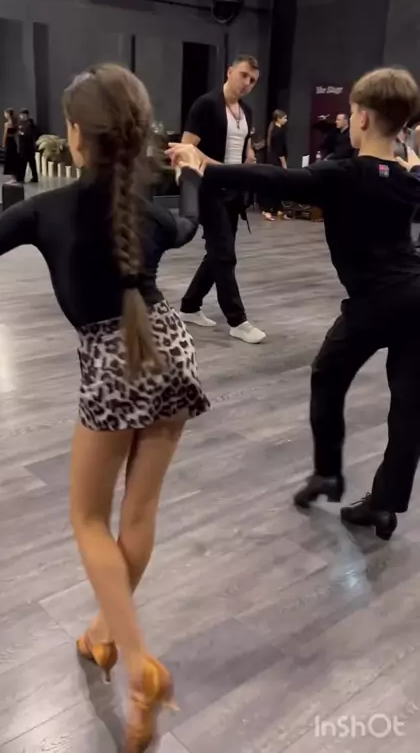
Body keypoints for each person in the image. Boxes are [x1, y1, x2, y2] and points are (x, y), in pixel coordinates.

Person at [0, 64, 209, 751]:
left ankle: (140, 665)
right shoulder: (146, 210)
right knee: (139, 514)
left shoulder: (44, 210)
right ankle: (101, 633)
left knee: (89, 519)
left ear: (75, 136)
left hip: (113, 365)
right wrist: (192, 172)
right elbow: (187, 226)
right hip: (172, 348)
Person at [168, 67, 420, 541]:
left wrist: (205, 166)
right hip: (415, 299)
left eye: (351, 113)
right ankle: (385, 505)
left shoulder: (344, 174)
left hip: (373, 304)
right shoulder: (408, 180)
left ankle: (328, 473)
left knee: (327, 375)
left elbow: (274, 178)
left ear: (362, 119)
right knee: (409, 409)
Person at [179, 54, 266, 344]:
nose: (247, 83)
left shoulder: (247, 111)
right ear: (229, 72)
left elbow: (245, 146)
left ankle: (190, 306)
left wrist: (249, 158)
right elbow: (186, 148)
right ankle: (237, 321)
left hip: (234, 192)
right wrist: (218, 169)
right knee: (225, 255)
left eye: (253, 80)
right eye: (244, 75)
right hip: (209, 189)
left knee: (216, 253)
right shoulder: (206, 105)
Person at [263, 109, 288, 220]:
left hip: (272, 160)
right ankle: (267, 210)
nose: (286, 120)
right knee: (273, 185)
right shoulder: (278, 132)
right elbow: (279, 150)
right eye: (284, 118)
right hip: (276, 161)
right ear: (278, 119)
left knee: (276, 185)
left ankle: (279, 209)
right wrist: (284, 163)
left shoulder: (274, 131)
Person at [17, 109, 39, 183]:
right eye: (20, 115)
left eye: (22, 115)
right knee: (23, 163)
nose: (21, 116)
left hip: (28, 147)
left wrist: (23, 134)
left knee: (30, 163)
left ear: (26, 115)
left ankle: (33, 178)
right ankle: (21, 178)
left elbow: (31, 134)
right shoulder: (21, 123)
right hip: (22, 146)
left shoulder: (30, 124)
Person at [3, 108, 19, 179]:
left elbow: (5, 135)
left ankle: (13, 177)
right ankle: (15, 176)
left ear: (8, 114)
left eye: (5, 113)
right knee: (14, 159)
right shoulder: (15, 123)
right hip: (13, 142)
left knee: (10, 159)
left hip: (9, 142)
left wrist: (3, 143)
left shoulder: (7, 124)